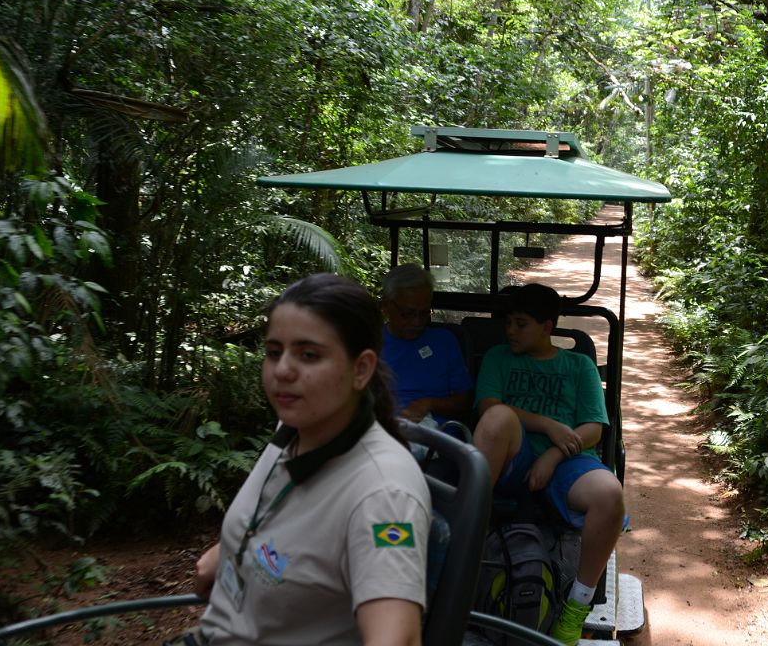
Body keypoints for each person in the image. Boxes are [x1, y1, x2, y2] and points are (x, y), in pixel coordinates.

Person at [190, 274, 430, 646]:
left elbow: (396, 637)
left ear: (361, 369)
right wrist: (232, 551)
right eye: (274, 352)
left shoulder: (384, 493)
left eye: (309, 355)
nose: (282, 370)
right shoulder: (293, 433)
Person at [471, 283, 624, 645]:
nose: (510, 331)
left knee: (609, 494)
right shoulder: (498, 357)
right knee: (498, 418)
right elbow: (488, 408)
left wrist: (554, 455)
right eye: (508, 322)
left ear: (547, 326)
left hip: (567, 462)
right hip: (512, 454)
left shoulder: (578, 364)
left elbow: (593, 428)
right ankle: (463, 560)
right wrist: (547, 425)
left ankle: (576, 608)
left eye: (520, 324)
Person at [380, 263, 473, 426]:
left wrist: (429, 403)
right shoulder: (369, 342)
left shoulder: (445, 341)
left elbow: (464, 402)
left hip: (435, 433)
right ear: (386, 305)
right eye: (408, 314)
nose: (416, 322)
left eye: (423, 314)